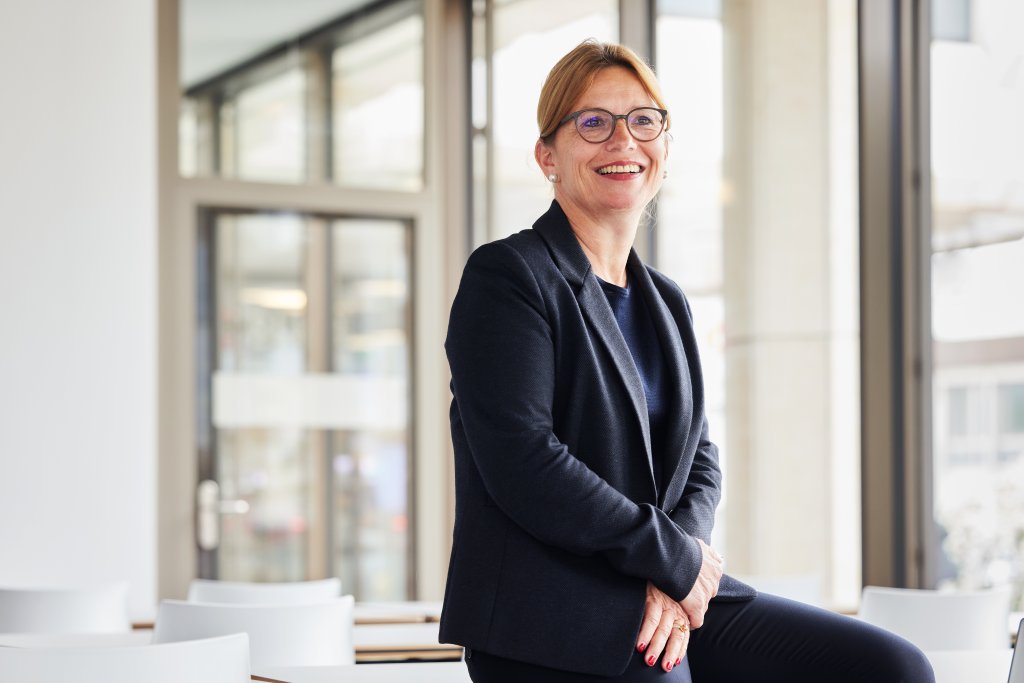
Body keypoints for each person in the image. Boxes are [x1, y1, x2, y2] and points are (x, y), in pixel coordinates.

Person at [439, 39, 934, 683]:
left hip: (664, 586)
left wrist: (682, 570)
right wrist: (670, 560)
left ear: (665, 151)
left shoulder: (665, 301)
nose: (623, 141)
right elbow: (525, 462)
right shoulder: (510, 276)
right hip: (552, 614)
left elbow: (699, 459)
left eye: (643, 121)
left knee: (890, 666)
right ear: (547, 156)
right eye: (593, 122)